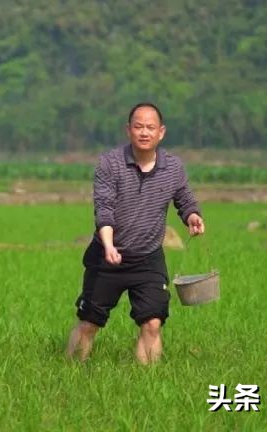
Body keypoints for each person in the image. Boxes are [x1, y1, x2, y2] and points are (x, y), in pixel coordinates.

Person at [66, 102, 206, 364]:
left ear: (161, 132)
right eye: (138, 126)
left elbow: (184, 198)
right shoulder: (110, 164)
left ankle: (148, 383)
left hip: (148, 259)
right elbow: (104, 208)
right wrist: (109, 245)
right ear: (128, 130)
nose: (144, 132)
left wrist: (192, 215)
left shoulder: (173, 167)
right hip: (107, 257)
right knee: (89, 323)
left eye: (150, 127)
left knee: (153, 323)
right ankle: (69, 372)